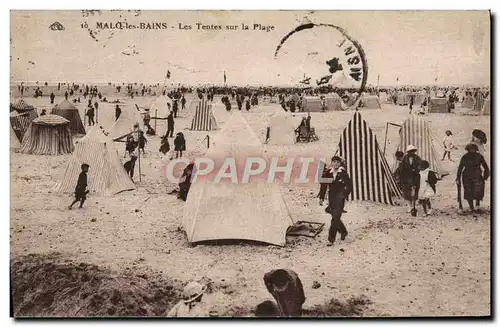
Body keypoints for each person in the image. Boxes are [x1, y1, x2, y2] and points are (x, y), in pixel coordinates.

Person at [326, 156, 352, 246]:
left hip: (340, 199)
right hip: (331, 199)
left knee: (335, 219)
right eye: (334, 162)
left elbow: (350, 185)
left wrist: (344, 194)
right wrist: (321, 197)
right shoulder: (329, 173)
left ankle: (331, 239)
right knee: (335, 218)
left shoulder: (343, 173)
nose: (336, 164)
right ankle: (343, 231)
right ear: (332, 163)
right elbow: (324, 185)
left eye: (337, 162)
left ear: (340, 163)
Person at [456, 143, 490, 212]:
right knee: (470, 191)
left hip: (475, 176)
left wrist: (485, 176)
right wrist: (458, 178)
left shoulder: (477, 156)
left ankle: (476, 206)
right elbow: (460, 167)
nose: (472, 151)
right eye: (471, 149)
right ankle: (472, 207)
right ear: (468, 150)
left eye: (473, 149)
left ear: (475, 150)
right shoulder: (467, 157)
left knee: (477, 191)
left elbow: (486, 168)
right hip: (469, 177)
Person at [398, 145, 422, 213]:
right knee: (406, 192)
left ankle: (414, 205)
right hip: (406, 178)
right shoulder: (404, 159)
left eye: (413, 151)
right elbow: (401, 169)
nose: (411, 153)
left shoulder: (417, 158)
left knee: (415, 192)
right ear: (408, 152)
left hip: (415, 177)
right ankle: (410, 206)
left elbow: (420, 167)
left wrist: (416, 170)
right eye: (410, 151)